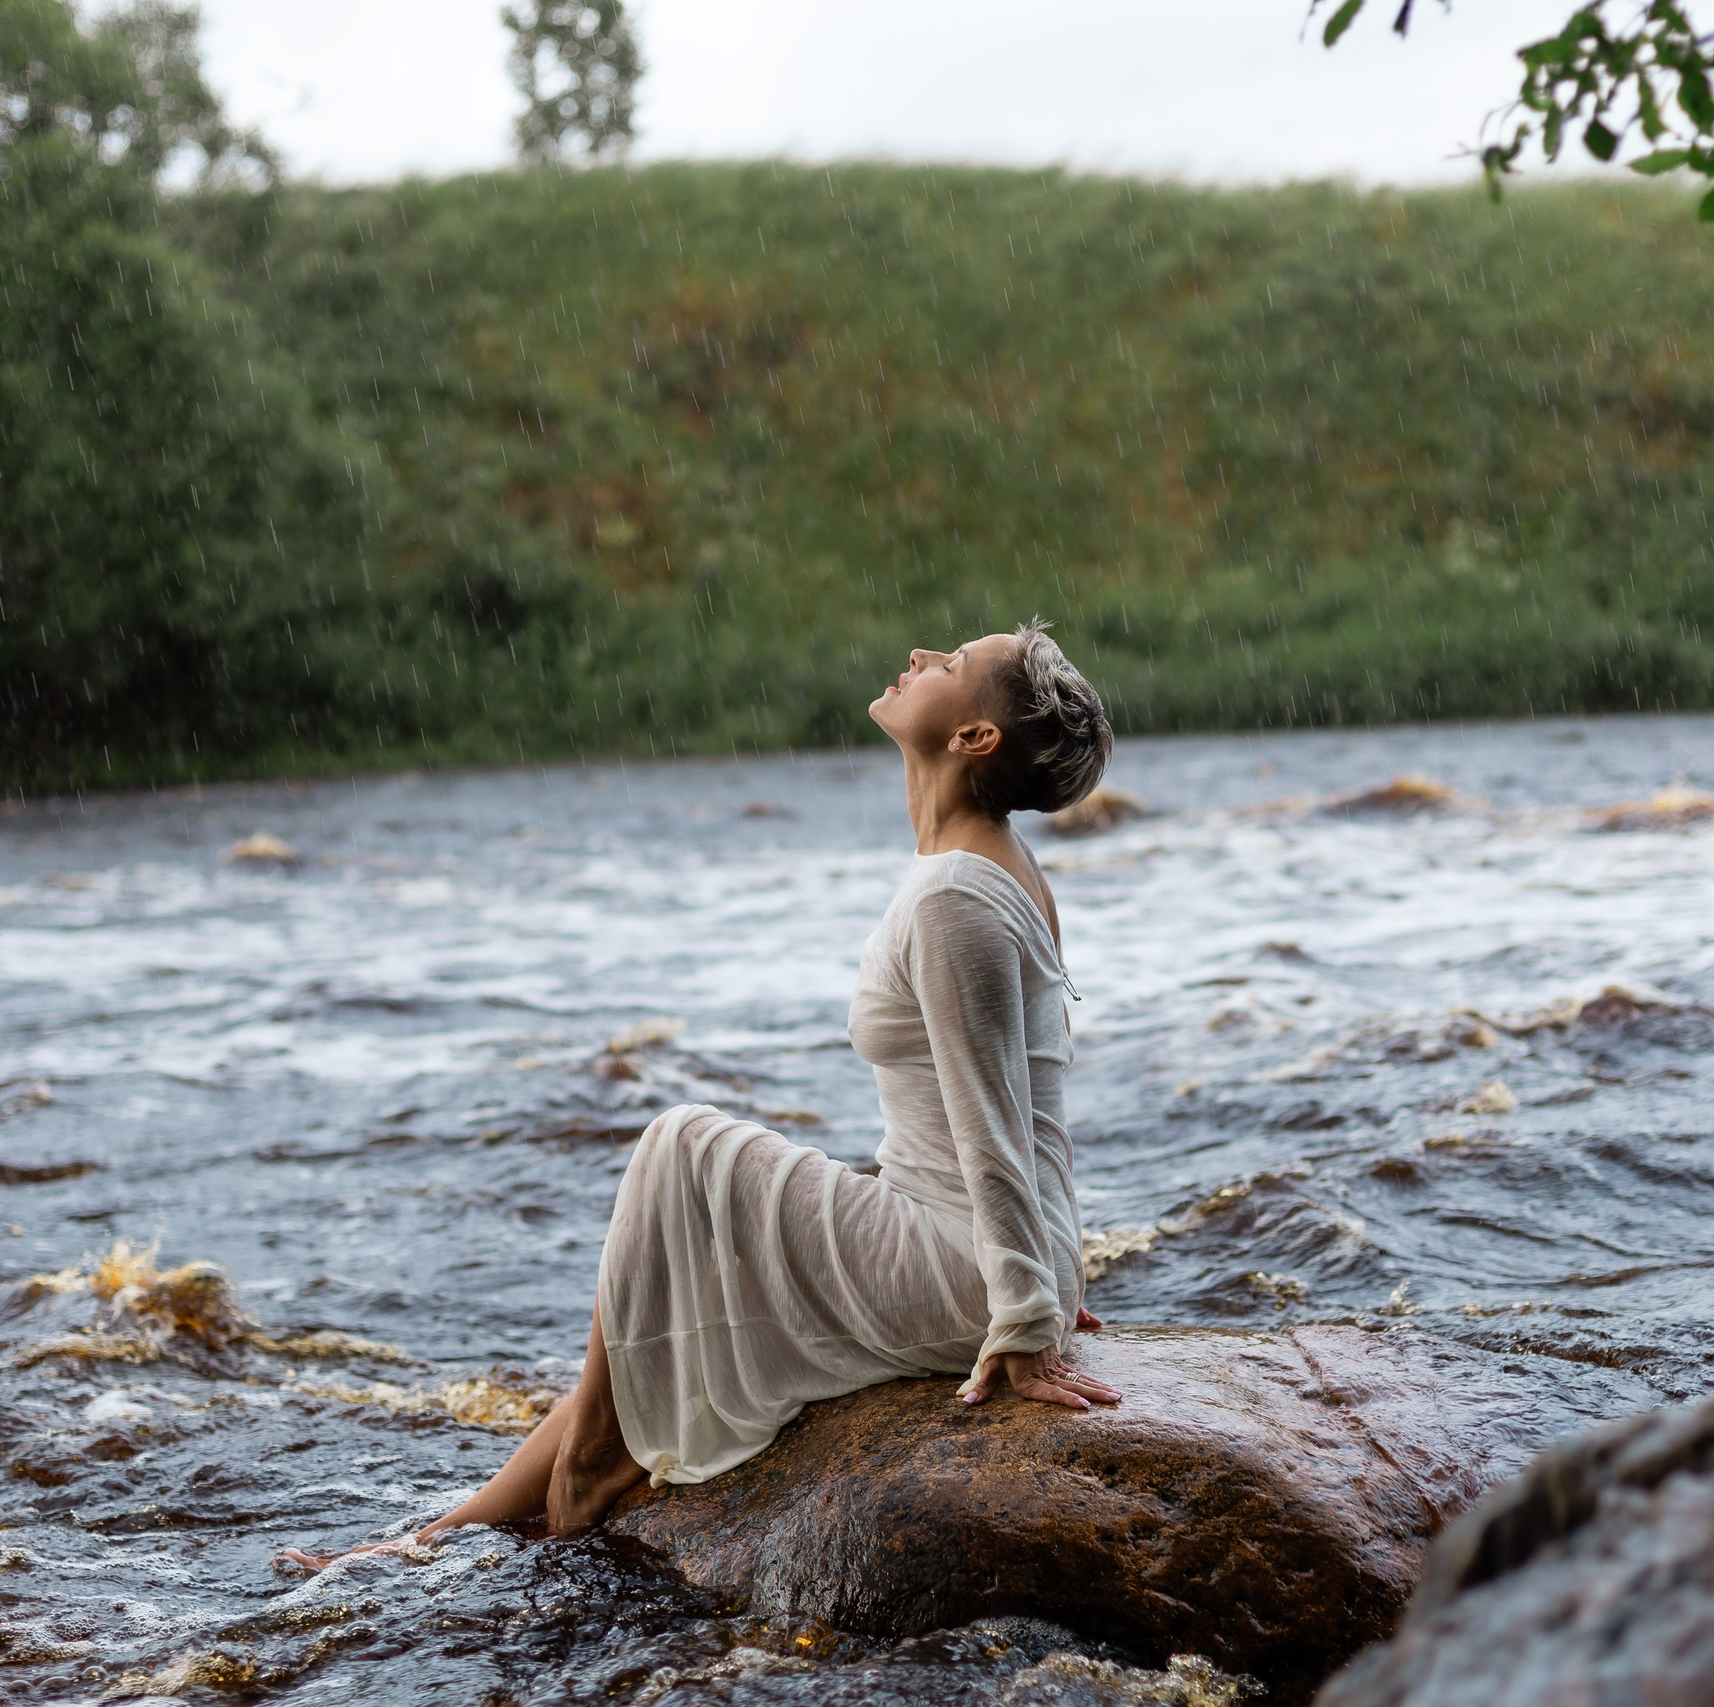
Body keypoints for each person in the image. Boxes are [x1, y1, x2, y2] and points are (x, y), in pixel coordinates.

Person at [277, 620, 1120, 1572]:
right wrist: (1044, 1271)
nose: (925, 654)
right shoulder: (983, 869)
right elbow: (1035, 1102)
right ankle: (438, 1539)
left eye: (954, 665)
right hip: (994, 1247)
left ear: (974, 738)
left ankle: (589, 1471)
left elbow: (996, 1119)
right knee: (683, 1299)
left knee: (681, 1143)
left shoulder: (953, 895)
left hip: (969, 1262)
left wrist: (1019, 1313)